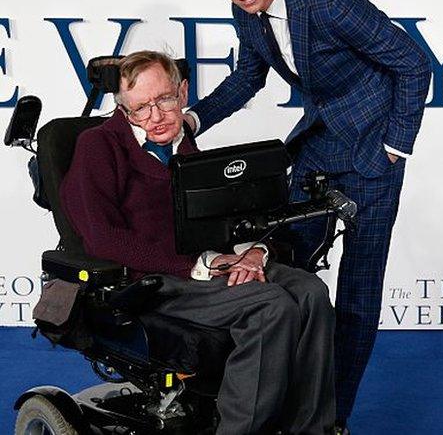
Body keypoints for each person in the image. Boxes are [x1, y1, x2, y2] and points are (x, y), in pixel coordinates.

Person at [185, 0, 432, 433]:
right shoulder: (248, 14)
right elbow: (248, 77)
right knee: (286, 261)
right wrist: (195, 117)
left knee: (358, 292)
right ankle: (279, 396)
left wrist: (395, 146)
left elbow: (412, 63)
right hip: (319, 142)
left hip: (372, 150)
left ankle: (331, 419)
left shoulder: (328, 1)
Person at [60, 50, 336, 435]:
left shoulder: (182, 144)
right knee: (271, 306)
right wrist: (199, 266)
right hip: (153, 279)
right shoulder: (98, 147)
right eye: (140, 108)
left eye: (164, 100)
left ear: (183, 93)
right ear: (123, 110)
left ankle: (310, 429)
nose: (155, 117)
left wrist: (253, 252)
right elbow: (102, 240)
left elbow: (217, 218)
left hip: (204, 263)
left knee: (310, 291)